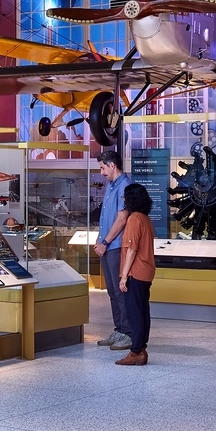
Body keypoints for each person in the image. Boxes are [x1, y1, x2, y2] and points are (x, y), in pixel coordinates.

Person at [92, 150, 132, 351]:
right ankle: (119, 329)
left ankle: (128, 333)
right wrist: (100, 240)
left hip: (115, 247)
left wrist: (105, 242)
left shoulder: (125, 186)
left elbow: (122, 219)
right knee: (111, 291)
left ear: (112, 165)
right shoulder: (111, 186)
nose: (101, 172)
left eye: (102, 168)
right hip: (106, 246)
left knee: (120, 291)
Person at [115, 182, 156, 366]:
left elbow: (131, 249)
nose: (123, 200)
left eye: (125, 197)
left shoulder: (134, 219)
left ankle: (136, 351)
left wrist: (124, 276)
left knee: (134, 314)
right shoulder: (145, 219)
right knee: (143, 312)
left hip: (135, 273)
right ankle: (141, 348)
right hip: (146, 272)